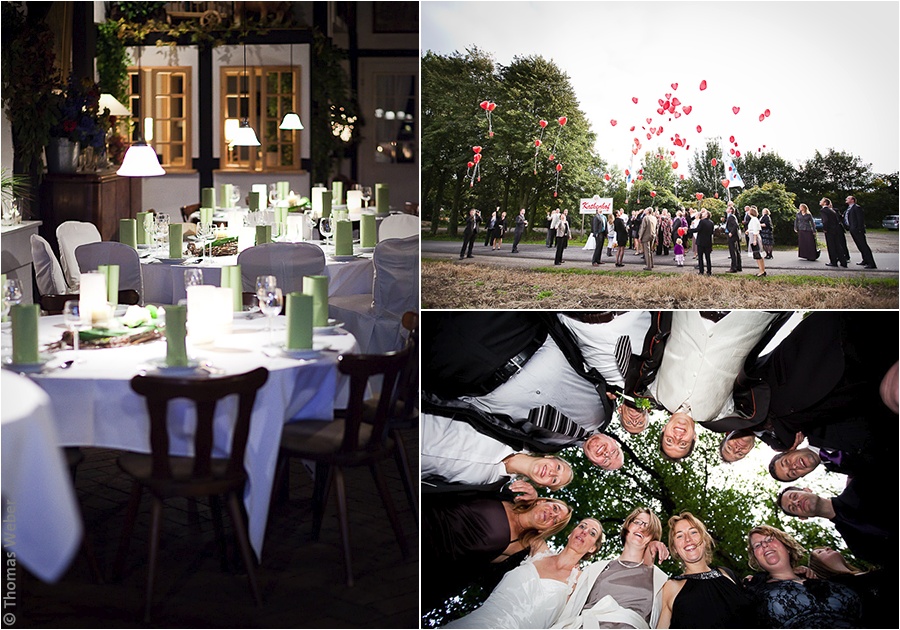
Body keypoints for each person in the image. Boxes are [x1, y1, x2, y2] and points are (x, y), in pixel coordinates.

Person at [422, 311, 658, 465]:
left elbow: (494, 426)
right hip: (510, 332)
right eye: (614, 453)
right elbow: (618, 372)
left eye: (605, 462)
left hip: (464, 373)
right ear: (614, 441)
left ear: (592, 461)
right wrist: (634, 406)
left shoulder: (542, 447)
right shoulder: (605, 403)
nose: (606, 454)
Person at [422, 493, 573, 612]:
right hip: (424, 513)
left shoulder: (520, 549)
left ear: (545, 530)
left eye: (555, 522)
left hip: (429, 561)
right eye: (555, 509)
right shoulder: (507, 495)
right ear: (541, 501)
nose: (553, 515)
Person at [444, 518, 603, 629]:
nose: (584, 532)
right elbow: (527, 518)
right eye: (582, 526)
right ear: (571, 533)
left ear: (592, 548)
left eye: (592, 533)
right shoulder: (539, 551)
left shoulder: (581, 583)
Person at [553, 507, 669, 629]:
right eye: (637, 522)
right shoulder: (595, 569)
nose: (642, 528)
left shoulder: (660, 580)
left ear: (653, 538)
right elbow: (569, 605)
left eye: (648, 526)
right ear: (627, 526)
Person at [744, 525, 862, 627]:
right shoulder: (754, 592)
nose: (764, 545)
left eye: (770, 539)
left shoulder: (821, 580)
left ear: (787, 547)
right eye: (757, 545)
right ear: (756, 559)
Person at [422, 413, 574, 490]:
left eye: (554, 480)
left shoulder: (493, 485)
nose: (552, 473)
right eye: (558, 468)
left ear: (541, 485)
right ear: (550, 456)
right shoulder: (513, 431)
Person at [656, 512, 751, 628]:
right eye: (680, 535)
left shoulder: (727, 574)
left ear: (705, 539)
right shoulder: (670, 587)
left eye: (693, 532)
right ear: (675, 548)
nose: (688, 539)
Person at [776, 480, 893, 566]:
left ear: (807, 490)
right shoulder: (855, 544)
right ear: (803, 517)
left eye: (794, 496)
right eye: (792, 508)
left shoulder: (862, 486)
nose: (796, 503)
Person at [808, 547, 888, 629]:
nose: (828, 548)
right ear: (818, 566)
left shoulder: (876, 573)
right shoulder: (836, 590)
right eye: (820, 552)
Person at [846, 195, 877, 268]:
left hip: (857, 230)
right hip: (852, 229)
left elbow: (860, 219)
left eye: (848, 198)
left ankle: (871, 263)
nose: (846, 199)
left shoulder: (857, 208)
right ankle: (865, 260)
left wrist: (859, 229)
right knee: (860, 246)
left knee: (864, 246)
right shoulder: (849, 208)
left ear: (852, 200)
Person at [819, 197, 849, 267]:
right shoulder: (832, 210)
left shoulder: (823, 210)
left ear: (825, 203)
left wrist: (825, 229)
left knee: (831, 246)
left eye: (821, 201)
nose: (820, 201)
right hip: (835, 230)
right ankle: (843, 262)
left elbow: (825, 220)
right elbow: (837, 220)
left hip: (829, 230)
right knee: (838, 246)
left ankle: (833, 261)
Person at [690, 209, 714, 275]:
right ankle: (709, 271)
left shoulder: (702, 222)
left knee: (700, 257)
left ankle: (701, 271)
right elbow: (712, 232)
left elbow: (697, 229)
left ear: (707, 215)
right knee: (708, 257)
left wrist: (689, 230)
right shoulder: (711, 223)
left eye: (704, 213)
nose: (702, 214)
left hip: (701, 241)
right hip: (708, 242)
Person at [746, 206, 766, 277]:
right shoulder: (754, 219)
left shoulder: (754, 220)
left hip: (754, 237)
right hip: (754, 236)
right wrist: (748, 231)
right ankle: (762, 270)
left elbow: (755, 230)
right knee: (758, 255)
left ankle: (761, 270)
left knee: (758, 255)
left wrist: (754, 240)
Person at [724, 203, 743, 273]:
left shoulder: (731, 217)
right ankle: (738, 266)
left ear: (731, 210)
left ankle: (733, 267)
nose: (727, 208)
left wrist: (731, 232)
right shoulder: (730, 216)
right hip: (733, 236)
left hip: (732, 236)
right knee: (736, 251)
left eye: (728, 208)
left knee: (733, 251)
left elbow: (735, 225)